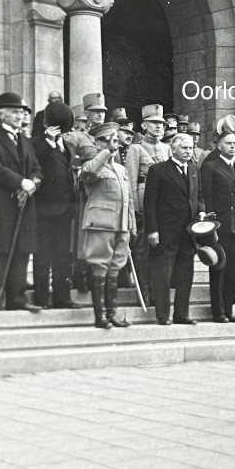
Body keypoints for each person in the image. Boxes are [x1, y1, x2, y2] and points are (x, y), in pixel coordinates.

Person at [0, 92, 42, 314]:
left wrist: (33, 184)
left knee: (22, 250)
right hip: (1, 202)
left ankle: (18, 298)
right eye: (14, 112)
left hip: (25, 202)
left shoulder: (25, 140)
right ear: (1, 114)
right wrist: (20, 182)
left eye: (22, 112)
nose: (19, 116)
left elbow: (37, 168)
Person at [144, 132, 204, 326]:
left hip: (189, 231)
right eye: (184, 148)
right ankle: (163, 315)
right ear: (173, 149)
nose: (188, 151)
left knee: (186, 274)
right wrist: (152, 230)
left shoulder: (194, 169)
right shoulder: (158, 170)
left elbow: (199, 196)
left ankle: (182, 314)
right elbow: (149, 203)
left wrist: (201, 211)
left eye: (191, 148)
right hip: (165, 231)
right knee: (163, 274)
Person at [80, 122, 136, 328]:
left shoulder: (120, 169)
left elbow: (128, 198)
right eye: (105, 140)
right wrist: (106, 152)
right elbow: (86, 173)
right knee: (100, 266)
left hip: (121, 225)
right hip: (101, 224)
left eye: (114, 140)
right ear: (97, 143)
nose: (111, 144)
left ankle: (112, 312)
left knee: (115, 268)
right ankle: (100, 315)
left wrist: (131, 224)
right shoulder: (92, 164)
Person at [200, 127, 235, 323]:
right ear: (219, 145)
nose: (233, 146)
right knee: (219, 268)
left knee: (233, 271)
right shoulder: (210, 166)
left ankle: (229, 309)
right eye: (229, 143)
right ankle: (218, 311)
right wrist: (208, 224)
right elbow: (205, 196)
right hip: (219, 225)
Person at [32, 101, 79, 309]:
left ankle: (62, 297)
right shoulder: (36, 143)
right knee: (43, 255)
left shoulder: (66, 145)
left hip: (65, 209)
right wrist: (48, 141)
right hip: (44, 208)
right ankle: (42, 298)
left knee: (62, 255)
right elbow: (35, 161)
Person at [125, 103, 172, 305]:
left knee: (160, 251)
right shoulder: (136, 149)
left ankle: (157, 291)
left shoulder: (167, 148)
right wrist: (135, 209)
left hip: (165, 206)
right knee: (143, 251)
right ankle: (144, 291)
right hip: (143, 205)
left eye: (161, 123)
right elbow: (131, 180)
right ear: (144, 126)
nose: (159, 126)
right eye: (153, 123)